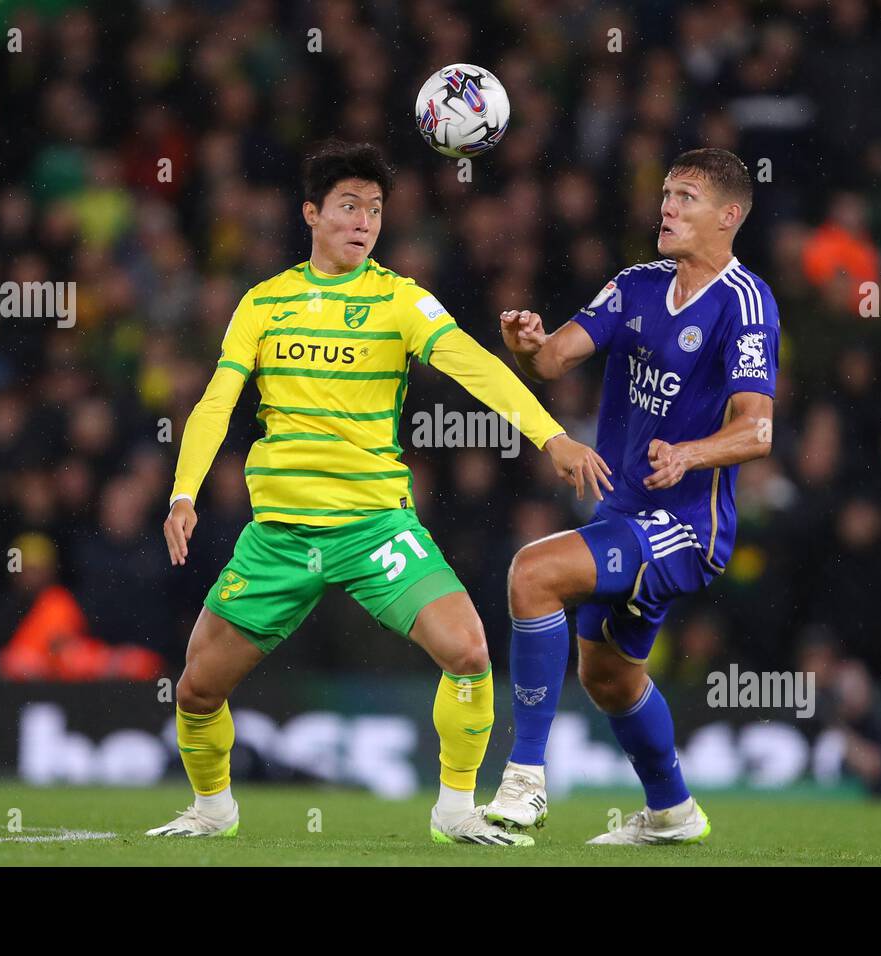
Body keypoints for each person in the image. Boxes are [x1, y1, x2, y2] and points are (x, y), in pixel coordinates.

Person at [147, 140, 611, 845]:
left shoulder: (400, 300)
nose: (364, 221)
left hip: (374, 530)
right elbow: (216, 400)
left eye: (375, 209)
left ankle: (455, 810)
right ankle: (213, 809)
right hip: (281, 537)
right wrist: (184, 493)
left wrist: (551, 436)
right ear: (312, 214)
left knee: (470, 653)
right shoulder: (264, 303)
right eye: (348, 206)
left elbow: (475, 368)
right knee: (196, 690)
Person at [483, 148, 779, 844]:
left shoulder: (745, 303)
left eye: (686, 198)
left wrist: (689, 454)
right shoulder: (636, 285)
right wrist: (524, 346)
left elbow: (757, 429)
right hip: (623, 514)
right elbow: (555, 360)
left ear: (728, 216)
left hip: (688, 525)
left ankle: (524, 781)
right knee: (609, 676)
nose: (667, 207)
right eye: (667, 193)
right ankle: (673, 813)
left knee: (533, 573)